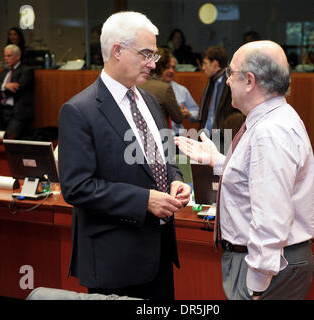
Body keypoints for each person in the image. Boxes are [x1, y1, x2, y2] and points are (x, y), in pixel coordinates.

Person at [58, 11, 191, 300]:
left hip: (159, 254)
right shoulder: (79, 111)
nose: (152, 64)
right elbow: (76, 187)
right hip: (114, 260)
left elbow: (165, 159)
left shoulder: (151, 101)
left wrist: (176, 181)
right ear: (117, 50)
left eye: (154, 55)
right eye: (146, 54)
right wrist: (145, 200)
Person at [175, 40, 314, 300]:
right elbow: (256, 177)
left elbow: (271, 215)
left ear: (250, 81)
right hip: (266, 262)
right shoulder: (271, 118)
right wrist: (218, 160)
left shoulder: (270, 131)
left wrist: (257, 284)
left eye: (231, 73)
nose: (227, 81)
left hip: (267, 269)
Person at [199, 45, 244, 145]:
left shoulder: (231, 83)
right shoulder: (211, 83)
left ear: (214, 64)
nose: (203, 68)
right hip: (207, 135)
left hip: (224, 137)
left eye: (205, 64)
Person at [0, 44, 34, 139]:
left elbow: (17, 89)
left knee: (9, 139)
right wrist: (5, 85)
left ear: (18, 56)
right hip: (2, 111)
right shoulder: (3, 72)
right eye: (5, 56)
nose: (6, 59)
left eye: (9, 56)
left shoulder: (27, 70)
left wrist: (0, 86)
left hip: (18, 113)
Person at [138, 47, 184, 127]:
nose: (171, 70)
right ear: (162, 67)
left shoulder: (136, 83)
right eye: (168, 66)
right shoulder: (164, 88)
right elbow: (178, 118)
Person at [160, 54, 199, 135]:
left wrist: (189, 114)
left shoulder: (182, 90)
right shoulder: (151, 88)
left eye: (173, 67)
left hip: (178, 136)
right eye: (168, 67)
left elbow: (197, 112)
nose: (171, 71)